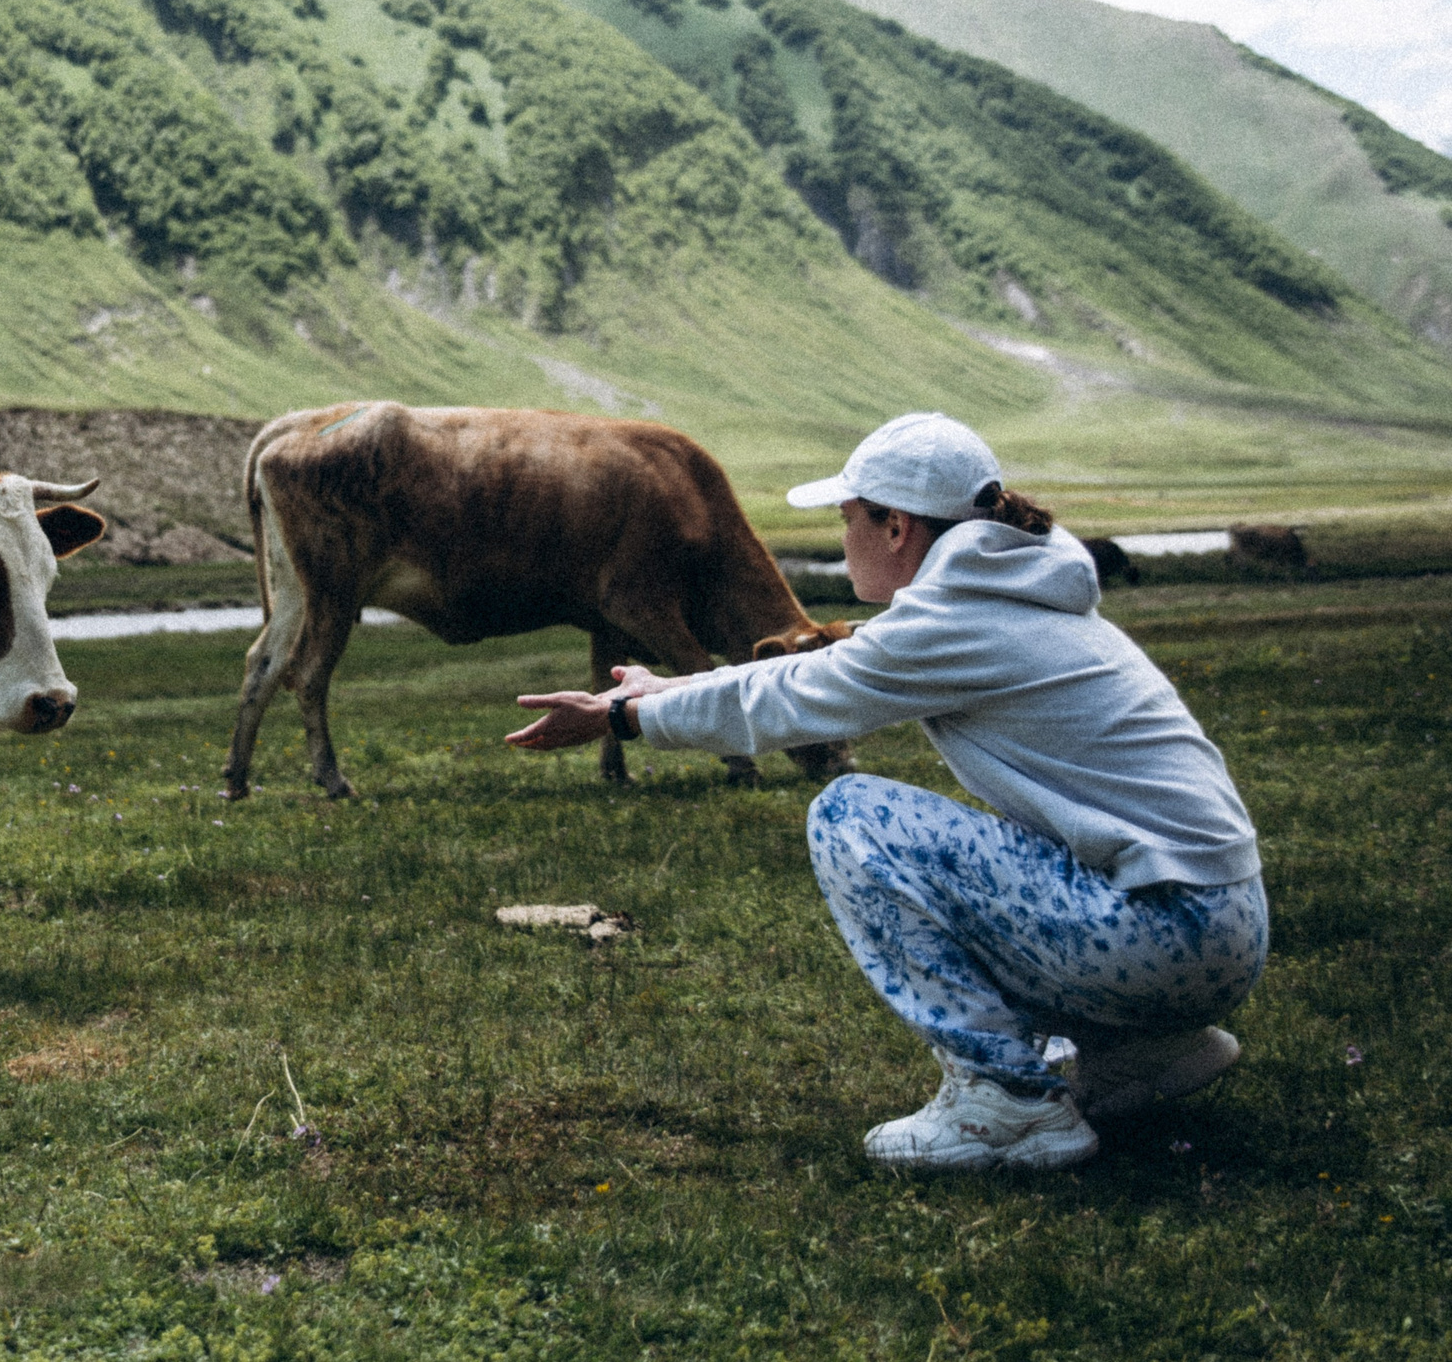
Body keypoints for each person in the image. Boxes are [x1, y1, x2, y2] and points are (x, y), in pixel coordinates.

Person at [507, 412, 1266, 1172]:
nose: (843, 540)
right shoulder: (1011, 590)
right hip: (1216, 925)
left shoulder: (958, 618)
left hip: (1169, 932)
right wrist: (664, 689)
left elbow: (790, 699)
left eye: (848, 519)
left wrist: (626, 715)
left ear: (896, 526)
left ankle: (1006, 1103)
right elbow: (796, 675)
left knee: (852, 816)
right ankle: (1137, 1051)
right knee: (1006, 853)